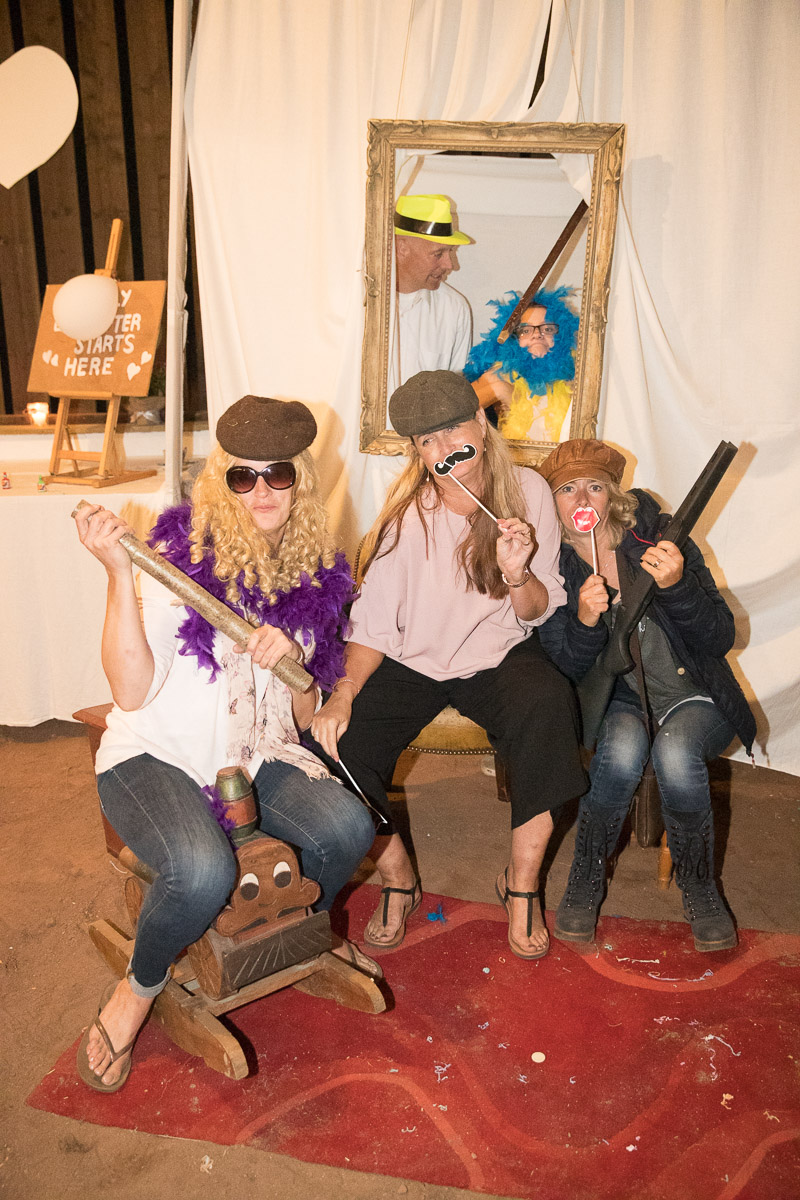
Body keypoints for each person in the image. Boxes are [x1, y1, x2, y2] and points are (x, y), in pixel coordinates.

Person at [73, 394, 377, 1092]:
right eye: (243, 476)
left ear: (301, 480)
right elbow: (130, 693)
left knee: (347, 829)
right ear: (221, 480)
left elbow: (303, 716)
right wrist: (119, 574)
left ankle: (287, 935)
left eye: (278, 474)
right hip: (154, 757)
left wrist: (292, 664)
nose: (261, 490)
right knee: (203, 873)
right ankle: (139, 988)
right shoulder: (175, 561)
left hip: (255, 755)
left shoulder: (315, 571)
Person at [311, 371, 587, 961]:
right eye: (426, 441)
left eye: (453, 431)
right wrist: (343, 693)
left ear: (481, 426)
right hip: (413, 658)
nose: (443, 450)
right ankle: (398, 878)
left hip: (499, 652)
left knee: (548, 707)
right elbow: (373, 626)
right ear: (416, 451)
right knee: (337, 744)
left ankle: (521, 885)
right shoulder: (405, 517)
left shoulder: (528, 491)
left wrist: (517, 572)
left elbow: (538, 611)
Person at [536, 438, 756, 952]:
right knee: (619, 755)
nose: (581, 499)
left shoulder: (660, 539)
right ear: (552, 503)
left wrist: (677, 586)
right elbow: (564, 668)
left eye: (594, 486)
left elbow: (720, 637)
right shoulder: (552, 569)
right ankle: (585, 880)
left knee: (675, 754)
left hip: (694, 694)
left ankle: (699, 887)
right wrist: (585, 620)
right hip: (622, 701)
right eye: (567, 489)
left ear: (613, 495)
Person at [464, 288, 579, 442]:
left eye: (548, 329)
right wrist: (500, 390)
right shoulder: (501, 374)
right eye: (525, 330)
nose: (537, 334)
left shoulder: (579, 378)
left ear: (561, 335)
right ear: (514, 339)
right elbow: (451, 410)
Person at [388, 194, 473, 399]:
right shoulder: (358, 303)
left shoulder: (455, 309)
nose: (450, 265)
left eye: (450, 252)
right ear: (402, 248)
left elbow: (458, 395)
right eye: (438, 254)